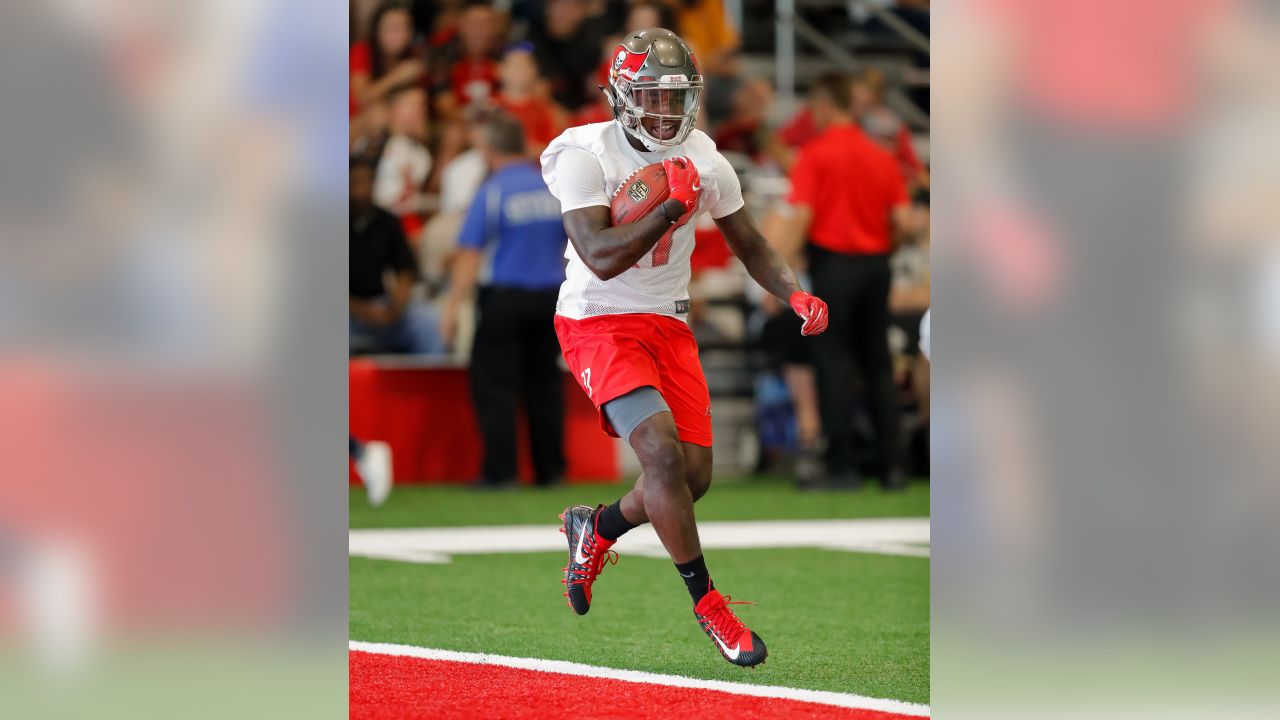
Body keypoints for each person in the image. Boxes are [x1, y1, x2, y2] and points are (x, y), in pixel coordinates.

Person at [540, 28, 828, 667]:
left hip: (667, 323)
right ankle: (710, 606)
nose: (665, 113)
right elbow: (600, 256)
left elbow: (749, 242)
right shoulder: (584, 152)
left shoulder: (704, 155)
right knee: (663, 459)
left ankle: (598, 527)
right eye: (651, 98)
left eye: (676, 99)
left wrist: (794, 293)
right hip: (597, 319)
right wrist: (671, 206)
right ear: (620, 96)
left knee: (692, 479)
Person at [780, 73, 915, 490]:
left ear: (822, 105)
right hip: (876, 265)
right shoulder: (881, 155)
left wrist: (780, 273)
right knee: (877, 363)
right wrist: (882, 252)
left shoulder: (814, 155)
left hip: (834, 265)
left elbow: (800, 218)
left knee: (833, 363)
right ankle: (893, 466)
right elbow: (904, 222)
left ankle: (841, 468)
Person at [441, 114, 569, 488]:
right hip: (550, 298)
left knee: (495, 386)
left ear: (488, 149)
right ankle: (551, 470)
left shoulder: (493, 189)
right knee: (544, 384)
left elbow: (470, 253)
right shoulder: (550, 187)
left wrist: (451, 307)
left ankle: (501, 472)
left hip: (505, 298)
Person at [349, 157, 446, 355]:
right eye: (355, 183)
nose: (361, 190)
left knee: (429, 321)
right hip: (346, 311)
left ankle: (428, 382)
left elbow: (404, 268)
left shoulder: (387, 221)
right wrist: (364, 311)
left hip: (383, 304)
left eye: (367, 182)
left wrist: (396, 306)